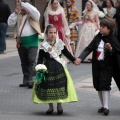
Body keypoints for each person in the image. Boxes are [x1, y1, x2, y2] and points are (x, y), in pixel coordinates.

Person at [32, 24, 79, 115]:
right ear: (46, 34)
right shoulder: (43, 45)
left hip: (59, 66)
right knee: (48, 86)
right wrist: (39, 67)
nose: (53, 34)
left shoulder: (60, 43)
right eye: (50, 33)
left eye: (54, 32)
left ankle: (59, 105)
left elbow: (66, 53)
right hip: (48, 67)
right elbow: (40, 58)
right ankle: (50, 107)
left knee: (59, 85)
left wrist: (74, 60)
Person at [78, 18, 120, 116]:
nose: (100, 28)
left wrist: (111, 49)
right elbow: (89, 48)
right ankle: (103, 105)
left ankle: (106, 107)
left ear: (109, 29)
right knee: (98, 85)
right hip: (97, 65)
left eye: (103, 27)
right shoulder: (97, 37)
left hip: (108, 66)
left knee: (105, 84)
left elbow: (117, 52)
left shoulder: (113, 39)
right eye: (100, 26)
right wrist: (80, 58)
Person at [8, 0, 41, 88]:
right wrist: (15, 13)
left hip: (32, 42)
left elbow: (36, 13)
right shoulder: (18, 15)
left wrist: (24, 4)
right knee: (24, 62)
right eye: (20, 6)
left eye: (23, 6)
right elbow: (10, 23)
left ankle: (32, 79)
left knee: (31, 60)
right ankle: (26, 80)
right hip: (21, 42)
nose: (21, 8)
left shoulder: (33, 15)